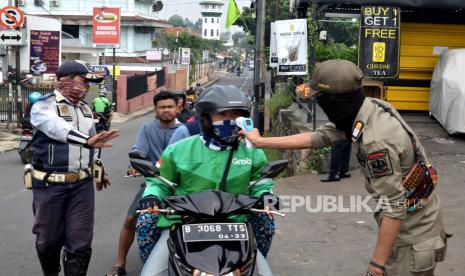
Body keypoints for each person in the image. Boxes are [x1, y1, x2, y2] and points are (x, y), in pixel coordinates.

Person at [240, 59, 447, 276]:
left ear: (333, 102)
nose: (319, 105)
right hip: (416, 221)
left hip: (411, 234)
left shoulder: (376, 142)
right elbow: (319, 137)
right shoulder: (366, 110)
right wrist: (262, 142)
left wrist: (376, 267)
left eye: (319, 99)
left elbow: (394, 208)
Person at [138, 85, 277, 276]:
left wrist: (266, 196)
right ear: (205, 118)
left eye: (235, 115)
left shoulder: (252, 150)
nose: (230, 121)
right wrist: (152, 196)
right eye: (222, 115)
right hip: (183, 222)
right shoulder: (179, 149)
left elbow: (262, 181)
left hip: (236, 225)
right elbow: (159, 182)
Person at [29, 60, 120, 276]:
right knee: (47, 241)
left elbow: (94, 143)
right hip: (49, 184)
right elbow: (56, 127)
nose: (86, 87)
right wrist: (86, 141)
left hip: (82, 185)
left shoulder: (86, 109)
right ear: (65, 80)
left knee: (80, 242)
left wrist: (99, 169)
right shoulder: (44, 105)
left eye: (89, 83)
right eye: (82, 81)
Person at [106, 91, 181, 276]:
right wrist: (135, 166)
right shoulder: (147, 128)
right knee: (132, 219)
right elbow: (138, 150)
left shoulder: (185, 130)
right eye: (162, 107)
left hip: (181, 184)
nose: (166, 111)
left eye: (170, 107)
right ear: (155, 109)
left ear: (178, 108)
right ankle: (120, 264)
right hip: (154, 181)